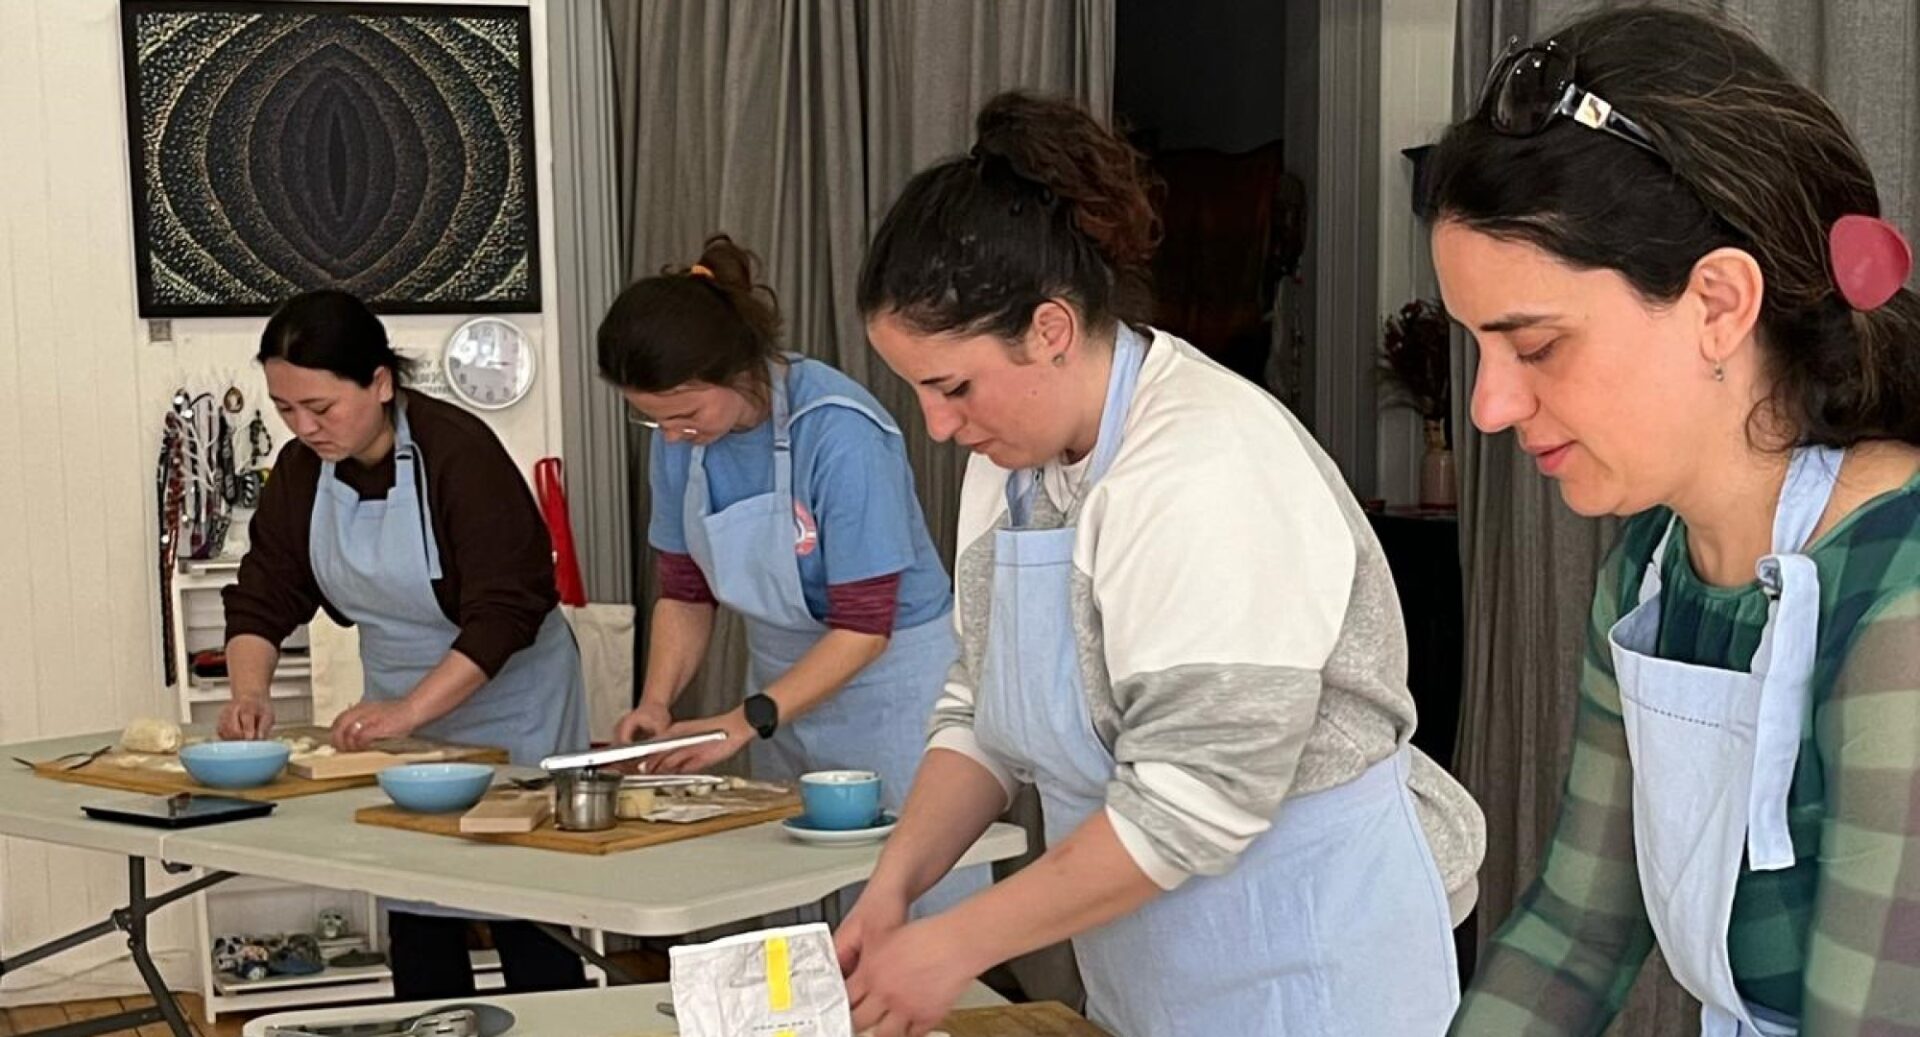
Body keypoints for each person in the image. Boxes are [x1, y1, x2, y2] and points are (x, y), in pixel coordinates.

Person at [835, 92, 1486, 1037]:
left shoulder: (1205, 466)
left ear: (1051, 330)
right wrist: (894, 887)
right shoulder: (1009, 471)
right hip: (1153, 965)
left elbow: (1196, 801)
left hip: (1310, 962)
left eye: (952, 385)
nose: (938, 425)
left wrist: (954, 943)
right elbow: (982, 712)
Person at [1428, 9, 1920, 1035]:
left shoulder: (1899, 598)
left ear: (1719, 302)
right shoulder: (1655, 571)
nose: (1489, 406)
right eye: (1479, 347)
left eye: (1536, 344)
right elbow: (1577, 928)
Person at [219, 290, 589, 999]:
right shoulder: (302, 472)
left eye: (321, 407)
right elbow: (265, 592)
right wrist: (249, 693)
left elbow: (506, 612)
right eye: (285, 408)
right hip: (400, 704)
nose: (304, 427)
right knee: (418, 903)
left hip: (514, 700)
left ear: (381, 383)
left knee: (527, 906)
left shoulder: (459, 452)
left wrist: (411, 712)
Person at [598, 235, 983, 913]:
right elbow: (686, 591)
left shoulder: (840, 432)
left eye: (687, 414)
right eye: (654, 419)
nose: (674, 434)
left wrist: (746, 721)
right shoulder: (677, 442)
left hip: (893, 693)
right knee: (798, 903)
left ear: (738, 370)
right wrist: (658, 701)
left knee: (912, 901)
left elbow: (866, 627)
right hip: (777, 692)